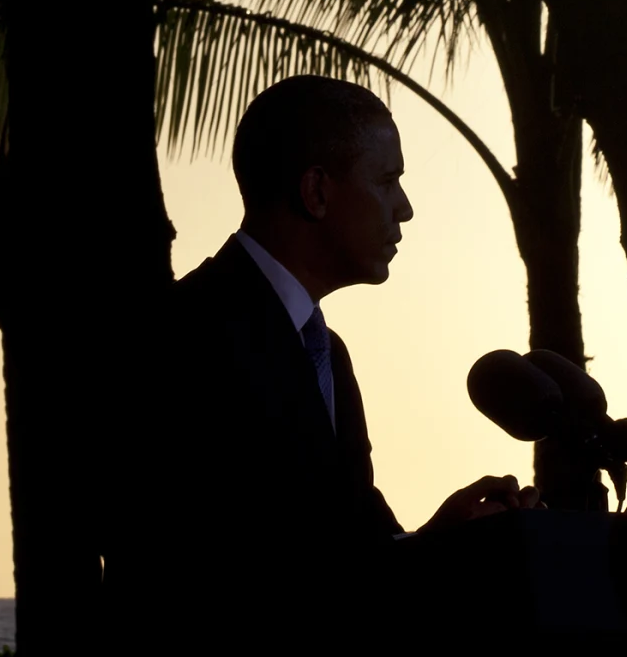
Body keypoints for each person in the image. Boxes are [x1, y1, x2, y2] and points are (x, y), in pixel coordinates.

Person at [128, 77, 531, 642]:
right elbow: (234, 569)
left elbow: (350, 550)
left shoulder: (325, 352)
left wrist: (443, 538)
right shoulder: (187, 336)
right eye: (387, 181)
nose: (405, 208)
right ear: (316, 192)